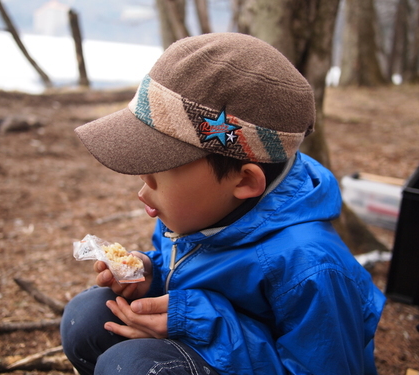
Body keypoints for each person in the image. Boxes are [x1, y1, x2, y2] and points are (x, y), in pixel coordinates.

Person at [60, 32, 386, 375]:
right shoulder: (201, 209)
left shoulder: (312, 268)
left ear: (244, 181)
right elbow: (190, 268)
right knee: (88, 318)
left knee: (130, 367)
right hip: (208, 344)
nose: (143, 190)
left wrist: (199, 321)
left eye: (158, 173)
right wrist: (152, 275)